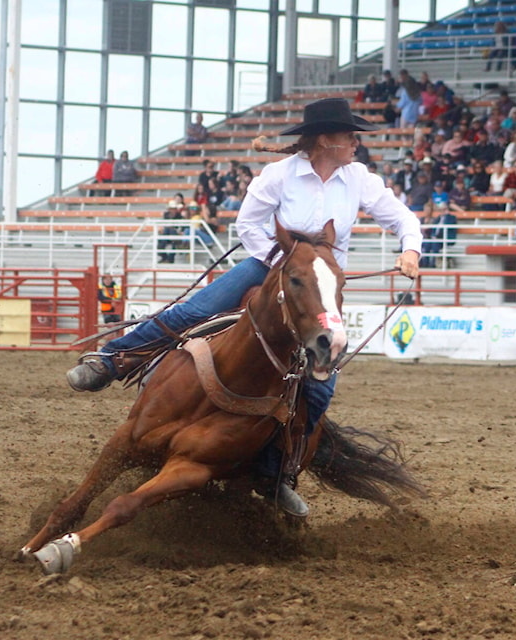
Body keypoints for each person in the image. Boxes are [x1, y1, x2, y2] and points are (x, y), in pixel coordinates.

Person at [66, 98, 422, 518]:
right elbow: (248, 225)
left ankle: (275, 475)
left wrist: (411, 251)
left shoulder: (358, 178)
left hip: (319, 286)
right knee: (191, 312)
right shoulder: (280, 175)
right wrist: (281, 267)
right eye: (349, 136)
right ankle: (112, 360)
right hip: (268, 266)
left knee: (321, 385)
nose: (355, 144)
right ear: (327, 139)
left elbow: (402, 218)